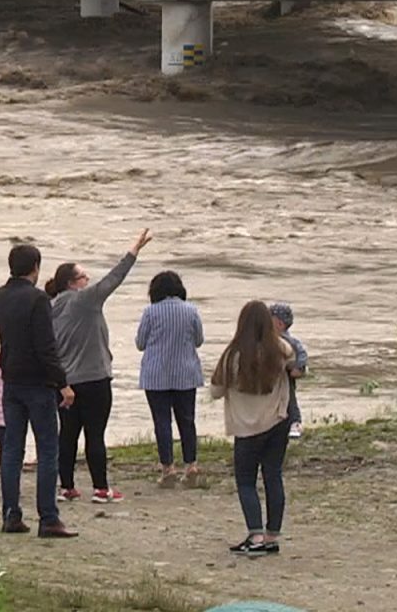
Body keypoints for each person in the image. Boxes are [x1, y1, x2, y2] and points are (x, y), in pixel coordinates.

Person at [47, 229, 151, 504]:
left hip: (65, 382)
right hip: (94, 378)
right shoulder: (86, 299)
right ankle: (101, 488)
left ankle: (66, 487)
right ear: (73, 283)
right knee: (95, 434)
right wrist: (133, 251)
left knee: (67, 435)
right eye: (83, 276)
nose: (88, 279)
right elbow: (114, 278)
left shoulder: (50, 306)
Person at [0, 243, 77, 539]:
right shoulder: (38, 299)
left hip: (10, 379)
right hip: (38, 382)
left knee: (12, 449)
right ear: (35, 267)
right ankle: (48, 517)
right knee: (47, 449)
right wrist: (63, 383)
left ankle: (11, 513)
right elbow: (46, 346)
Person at [210, 301, 294, 557]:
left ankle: (255, 535)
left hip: (246, 427)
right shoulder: (280, 350)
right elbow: (294, 358)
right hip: (277, 420)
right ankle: (272, 536)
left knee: (246, 481)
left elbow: (215, 391)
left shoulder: (232, 356)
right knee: (273, 475)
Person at [135, 270, 204, 488]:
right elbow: (199, 340)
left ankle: (168, 468)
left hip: (156, 374)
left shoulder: (150, 312)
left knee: (162, 421)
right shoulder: (191, 310)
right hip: (186, 372)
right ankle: (191, 464)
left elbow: (140, 343)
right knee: (187, 420)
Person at [269, 303, 307, 439]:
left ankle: (295, 422)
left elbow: (302, 354)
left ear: (280, 324)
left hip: (285, 375)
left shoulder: (289, 341)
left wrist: (299, 367)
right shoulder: (265, 338)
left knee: (289, 398)